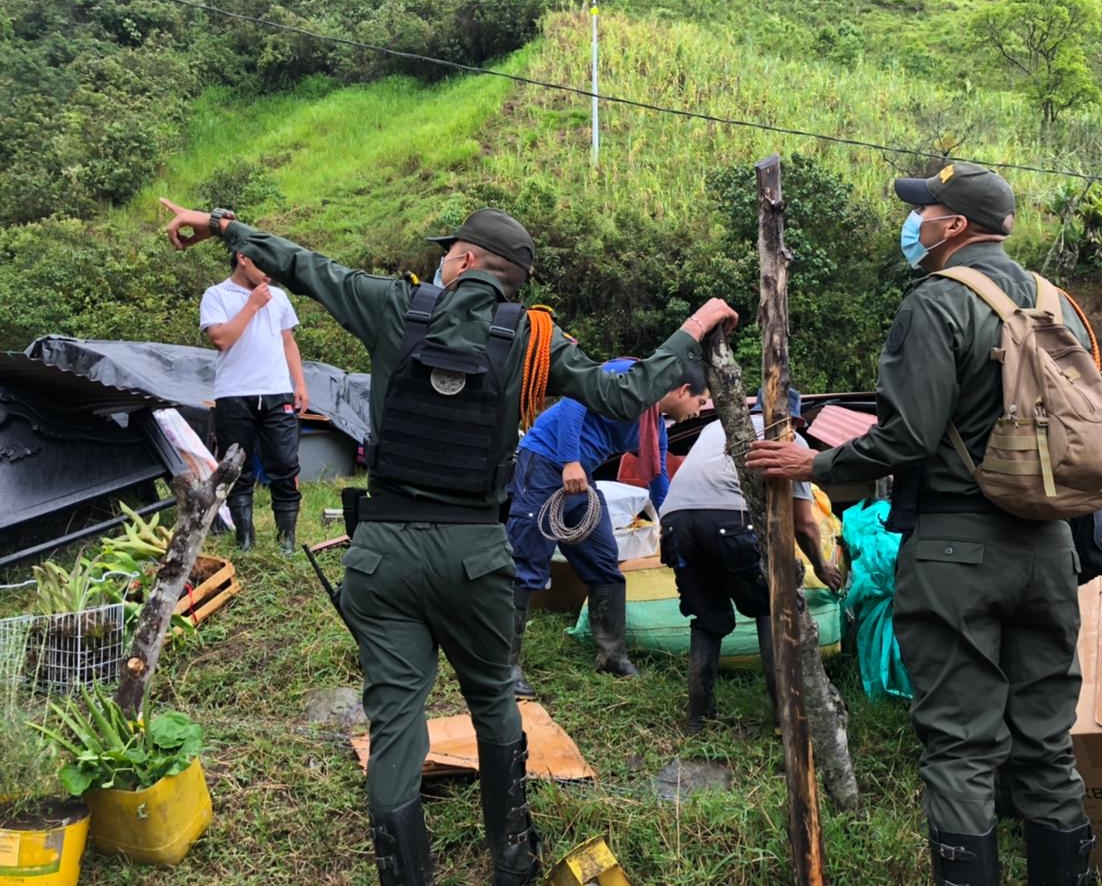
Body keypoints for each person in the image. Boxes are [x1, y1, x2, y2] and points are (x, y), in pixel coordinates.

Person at [161, 198, 737, 886]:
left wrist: (221, 226)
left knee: (396, 717)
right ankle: (512, 864)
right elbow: (626, 395)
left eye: (449, 251)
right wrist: (695, 327)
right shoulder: (533, 337)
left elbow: (301, 266)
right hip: (476, 557)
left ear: (462, 261)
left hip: (384, 555)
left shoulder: (391, 305)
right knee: (493, 696)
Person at [745, 163, 1096, 886]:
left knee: (963, 748)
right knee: (1047, 746)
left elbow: (909, 437)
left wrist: (808, 464)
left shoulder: (937, 303)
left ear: (956, 226)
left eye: (925, 210)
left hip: (957, 547)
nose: (917, 222)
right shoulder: (1060, 304)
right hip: (1052, 546)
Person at [506, 358, 709, 696]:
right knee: (526, 563)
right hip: (545, 462)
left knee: (605, 564)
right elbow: (575, 399)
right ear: (683, 390)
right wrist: (569, 460)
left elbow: (657, 479)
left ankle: (612, 656)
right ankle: (503, 667)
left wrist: (672, 525)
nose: (699, 411)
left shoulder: (653, 427)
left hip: (581, 477)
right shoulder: (627, 375)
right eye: (700, 402)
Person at [659, 387, 841, 732]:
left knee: (709, 617)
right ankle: (785, 719)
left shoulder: (716, 426)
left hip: (675, 523)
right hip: (731, 520)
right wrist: (821, 566)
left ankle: (698, 718)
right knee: (771, 607)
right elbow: (804, 523)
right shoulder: (790, 439)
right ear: (796, 419)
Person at [199, 248, 308, 554]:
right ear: (242, 257)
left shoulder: (279, 297)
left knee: (285, 465)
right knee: (237, 468)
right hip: (234, 394)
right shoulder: (216, 294)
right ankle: (244, 539)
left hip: (277, 391)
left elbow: (288, 341)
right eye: (263, 263)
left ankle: (286, 540)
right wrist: (251, 305)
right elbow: (221, 339)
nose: (269, 271)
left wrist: (299, 383)